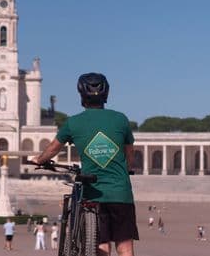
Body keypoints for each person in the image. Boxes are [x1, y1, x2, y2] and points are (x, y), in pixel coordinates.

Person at [32, 72, 138, 256]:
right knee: (125, 246)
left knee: (101, 245)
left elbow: (52, 149)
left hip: (92, 193)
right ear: (106, 94)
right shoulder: (120, 119)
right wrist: (127, 169)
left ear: (81, 95)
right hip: (120, 192)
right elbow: (130, 153)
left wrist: (39, 160)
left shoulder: (73, 122)